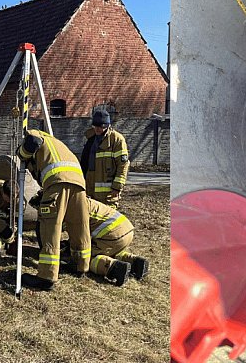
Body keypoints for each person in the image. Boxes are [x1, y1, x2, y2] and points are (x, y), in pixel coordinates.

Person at [17, 130, 90, 291]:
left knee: (50, 228)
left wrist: (21, 154)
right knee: (79, 225)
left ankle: (46, 276)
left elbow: (32, 141)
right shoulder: (55, 143)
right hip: (79, 183)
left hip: (57, 182)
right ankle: (81, 265)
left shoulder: (36, 135)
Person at [85, 197, 149, 286]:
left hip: (112, 235)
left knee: (82, 255)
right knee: (108, 250)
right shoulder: (86, 201)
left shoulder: (73, 209)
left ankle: (114, 268)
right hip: (126, 229)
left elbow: (78, 238)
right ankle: (134, 262)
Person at [80, 110, 129, 208]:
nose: (97, 129)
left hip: (108, 194)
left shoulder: (117, 140)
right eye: (95, 126)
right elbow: (84, 163)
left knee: (108, 220)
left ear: (107, 125)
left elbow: (123, 165)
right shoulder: (90, 138)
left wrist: (117, 187)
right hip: (89, 189)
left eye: (101, 126)